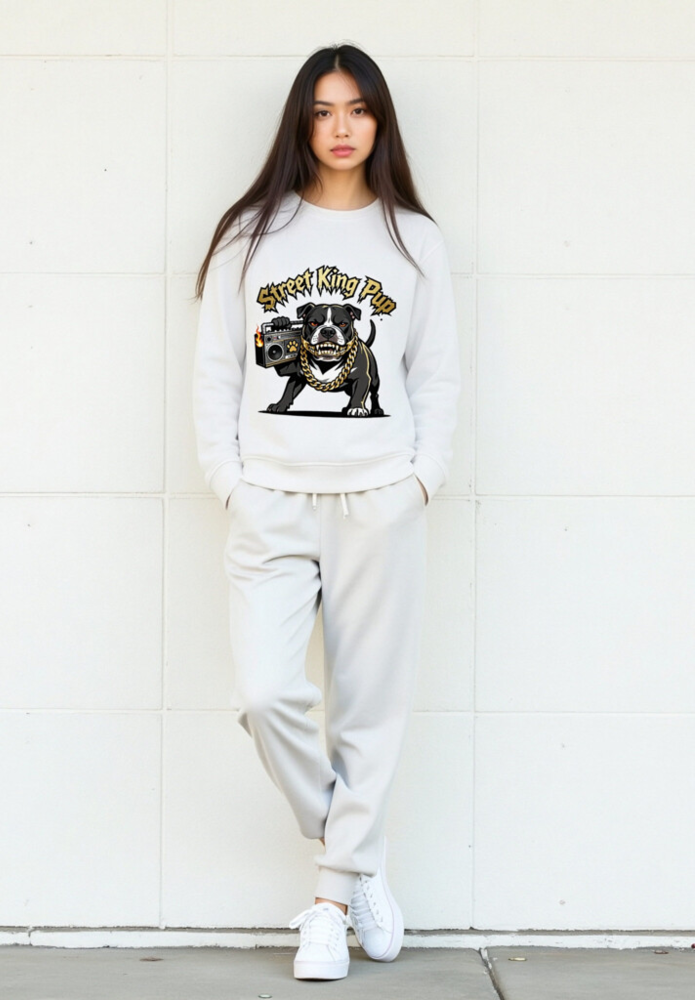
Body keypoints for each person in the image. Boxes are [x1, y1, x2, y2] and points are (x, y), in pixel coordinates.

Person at [191, 42, 460, 981]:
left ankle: (330, 904)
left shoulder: (413, 240)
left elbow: (435, 374)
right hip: (271, 500)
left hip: (378, 499)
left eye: (357, 109)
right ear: (300, 124)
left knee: (369, 712)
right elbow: (218, 370)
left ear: (380, 121)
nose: (341, 128)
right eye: (322, 111)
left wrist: (419, 480)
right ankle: (360, 852)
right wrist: (231, 481)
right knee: (266, 695)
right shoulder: (252, 235)